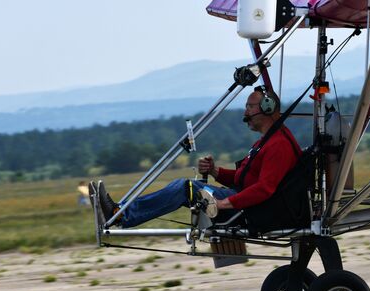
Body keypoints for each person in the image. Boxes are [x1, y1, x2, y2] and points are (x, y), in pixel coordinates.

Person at [96, 86, 301, 228]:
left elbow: (265, 189)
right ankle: (120, 212)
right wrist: (214, 171)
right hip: (241, 200)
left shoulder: (278, 145)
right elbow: (243, 178)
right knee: (186, 187)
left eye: (250, 106)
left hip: (251, 210)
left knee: (186, 188)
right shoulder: (267, 141)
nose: (245, 111)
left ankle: (123, 214)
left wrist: (223, 204)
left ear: (267, 108)